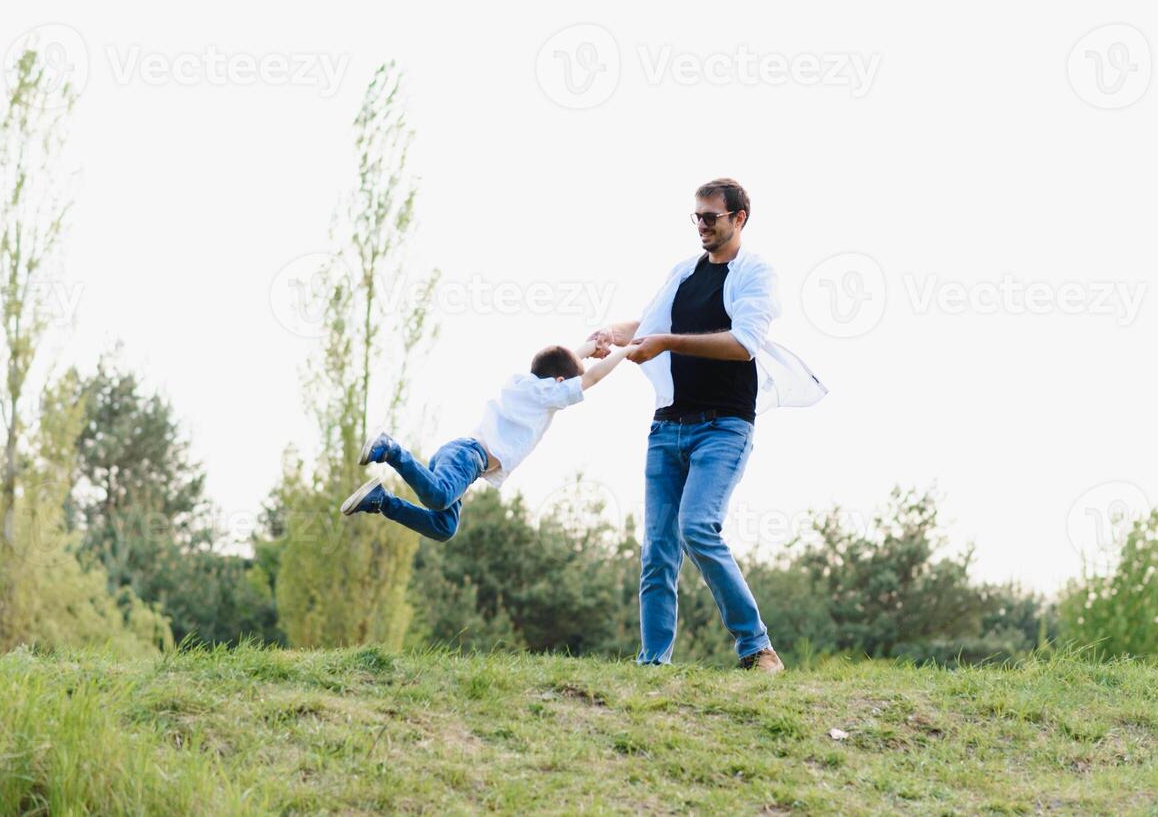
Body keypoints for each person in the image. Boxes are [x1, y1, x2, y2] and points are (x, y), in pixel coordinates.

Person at [592, 178, 827, 674]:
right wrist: (614, 333)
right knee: (657, 549)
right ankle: (652, 663)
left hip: (724, 426)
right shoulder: (684, 273)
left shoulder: (756, 274)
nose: (701, 225)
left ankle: (758, 648)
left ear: (739, 218)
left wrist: (667, 343)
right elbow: (651, 327)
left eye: (711, 217)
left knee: (697, 526)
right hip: (667, 427)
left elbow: (743, 342)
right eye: (696, 216)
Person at [341, 339, 635, 541]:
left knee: (444, 527)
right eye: (566, 384)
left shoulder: (526, 383)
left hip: (460, 457)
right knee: (440, 497)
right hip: (468, 458)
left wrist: (588, 347)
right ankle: (391, 450)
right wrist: (624, 351)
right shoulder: (547, 394)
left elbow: (562, 361)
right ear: (559, 383)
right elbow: (590, 379)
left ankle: (380, 500)